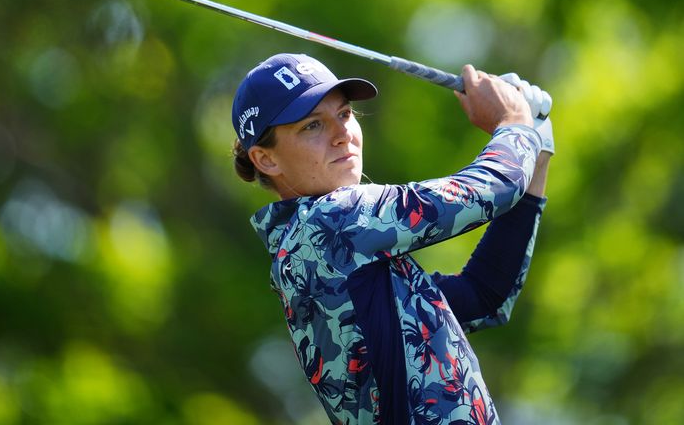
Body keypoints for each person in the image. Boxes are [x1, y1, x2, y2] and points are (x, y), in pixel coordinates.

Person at [231, 53, 553, 424]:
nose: (342, 135)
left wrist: (537, 151)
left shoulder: (324, 248)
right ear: (266, 159)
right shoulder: (330, 222)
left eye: (345, 114)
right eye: (312, 126)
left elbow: (485, 297)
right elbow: (492, 189)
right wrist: (514, 123)